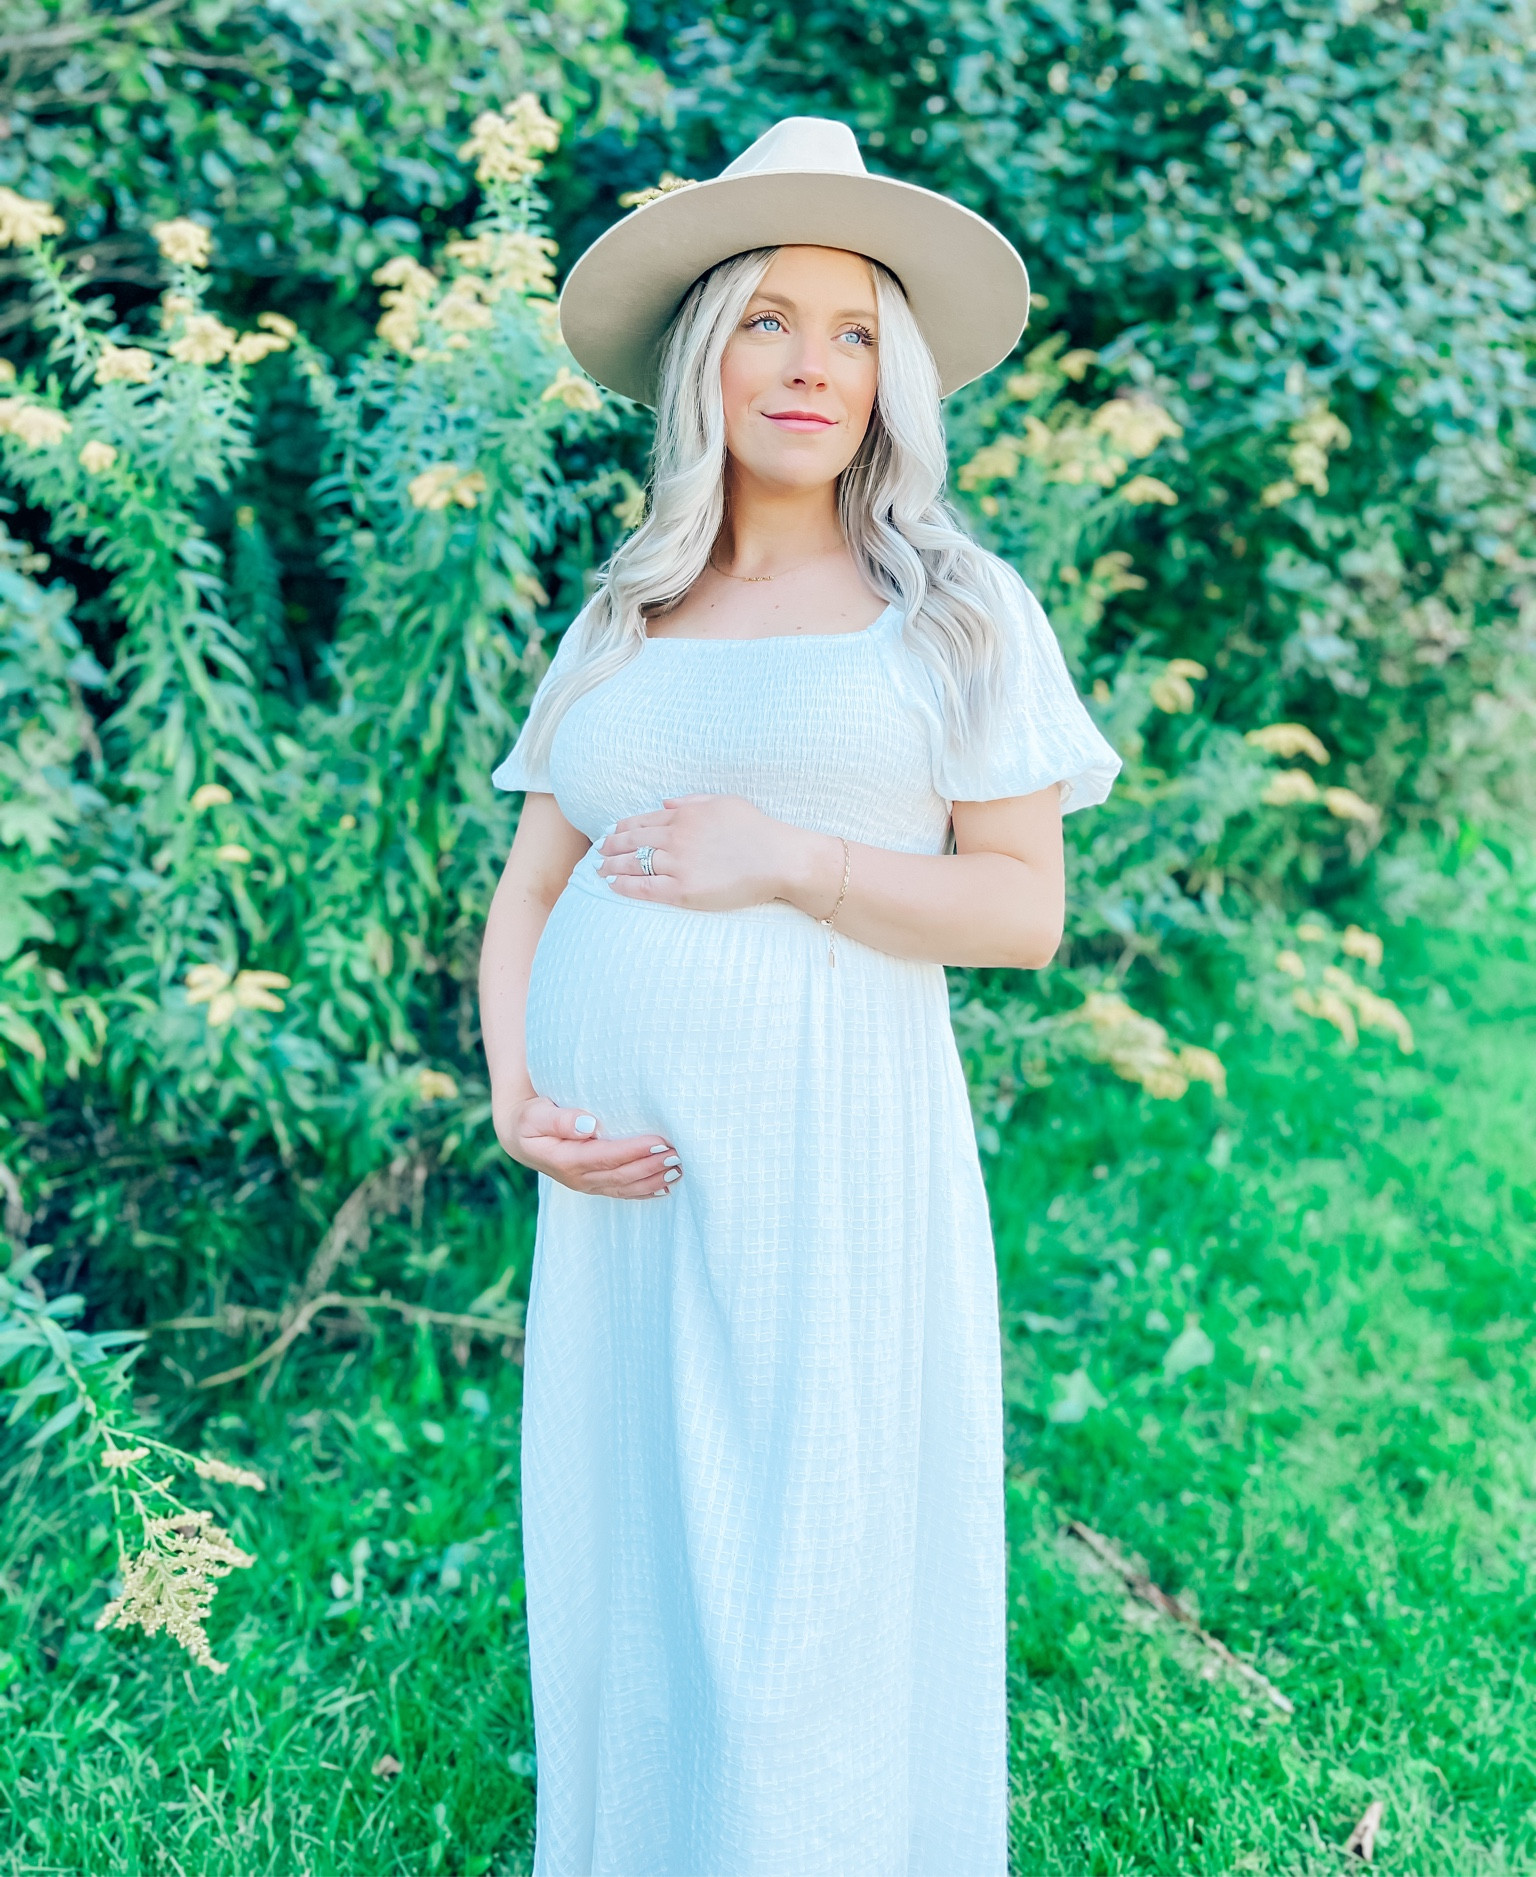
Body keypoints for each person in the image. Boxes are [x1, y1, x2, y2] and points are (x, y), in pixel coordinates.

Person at [478, 116, 1120, 1877]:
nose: (811, 365)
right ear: (705, 355)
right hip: (615, 1200)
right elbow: (531, 885)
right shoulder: (626, 607)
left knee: (801, 1566)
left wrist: (789, 859)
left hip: (830, 1164)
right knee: (636, 1560)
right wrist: (517, 1096)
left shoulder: (959, 608)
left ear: (892, 374)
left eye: (852, 330)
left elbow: (1021, 910)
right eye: (768, 318)